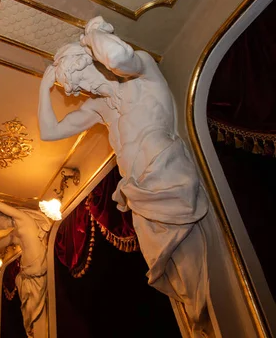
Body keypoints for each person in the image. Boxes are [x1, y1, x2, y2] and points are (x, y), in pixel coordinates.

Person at [38, 16, 209, 332]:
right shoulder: (99, 110)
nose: (80, 87)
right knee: (173, 276)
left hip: (168, 178)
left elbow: (117, 58)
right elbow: (49, 132)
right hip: (139, 198)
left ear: (89, 59)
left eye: (78, 73)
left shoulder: (143, 74)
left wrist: (92, 33)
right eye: (73, 85)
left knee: (193, 269)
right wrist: (44, 88)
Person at [0, 201, 50, 338]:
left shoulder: (24, 219)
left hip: (36, 271)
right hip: (25, 274)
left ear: (6, 216)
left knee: (36, 314)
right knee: (27, 314)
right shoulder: (14, 234)